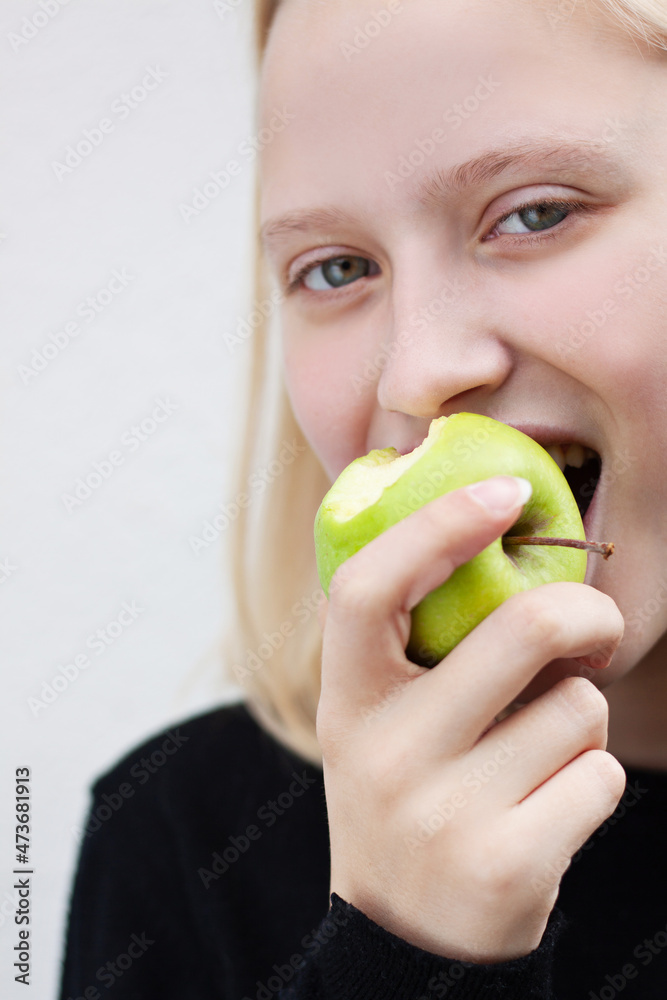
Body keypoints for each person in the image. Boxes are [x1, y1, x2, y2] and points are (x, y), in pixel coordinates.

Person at [59, 0, 667, 997]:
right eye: (337, 269)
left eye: (536, 211)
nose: (418, 375)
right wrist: (405, 952)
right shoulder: (180, 840)